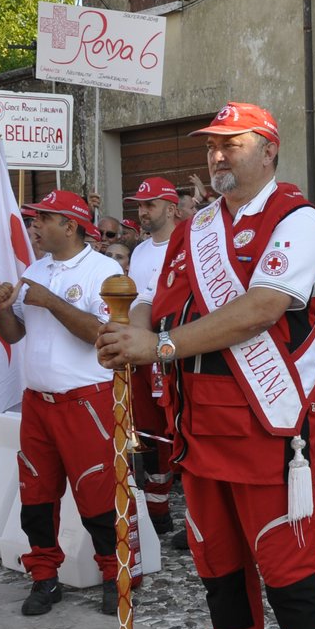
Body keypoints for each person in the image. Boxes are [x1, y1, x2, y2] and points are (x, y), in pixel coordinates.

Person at [96, 102, 315, 629]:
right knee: (220, 570)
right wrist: (127, 328)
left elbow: (261, 309)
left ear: (269, 148)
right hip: (198, 427)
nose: (217, 157)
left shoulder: (299, 220)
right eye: (211, 147)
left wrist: (159, 345)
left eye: (231, 144)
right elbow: (161, 304)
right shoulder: (196, 227)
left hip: (265, 426)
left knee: (290, 573)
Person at [0, 190, 127, 616]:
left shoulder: (103, 269)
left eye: (43, 218)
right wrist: (3, 309)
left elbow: (100, 333)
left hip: (85, 401)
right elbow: (14, 336)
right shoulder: (36, 269)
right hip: (38, 403)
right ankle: (44, 578)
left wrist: (50, 300)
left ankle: (116, 575)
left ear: (70, 225)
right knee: (36, 495)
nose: (34, 225)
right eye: (33, 218)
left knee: (99, 495)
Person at [123, 176, 185, 536]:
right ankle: (157, 508)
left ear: (171, 208)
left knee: (172, 427)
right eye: (140, 205)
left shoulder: (185, 243)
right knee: (146, 428)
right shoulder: (142, 250)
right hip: (144, 352)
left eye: (150, 205)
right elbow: (137, 302)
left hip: (174, 349)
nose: (142, 211)